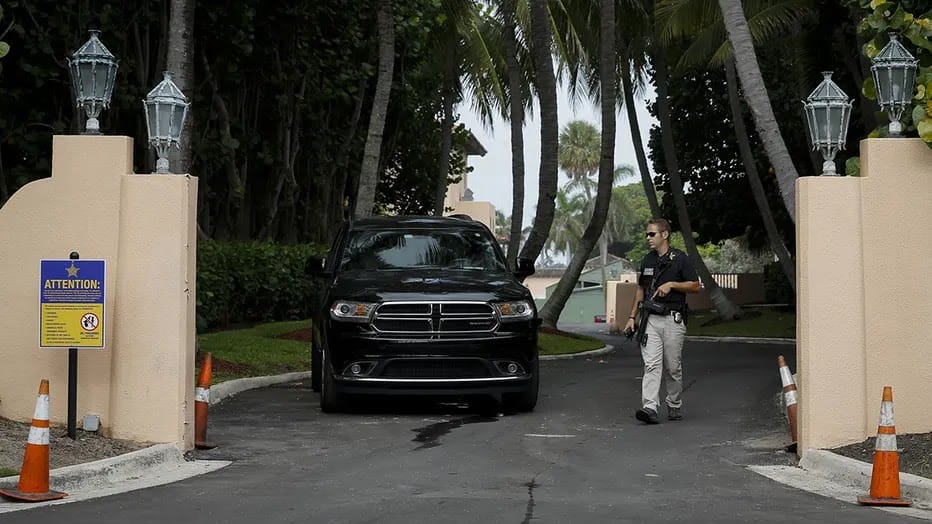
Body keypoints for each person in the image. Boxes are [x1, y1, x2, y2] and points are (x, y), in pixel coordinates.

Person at [623, 218, 700, 424]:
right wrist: (632, 317)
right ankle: (650, 408)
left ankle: (674, 404)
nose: (648, 238)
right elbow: (640, 290)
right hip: (650, 320)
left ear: (664, 235)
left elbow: (695, 286)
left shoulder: (680, 259)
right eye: (647, 234)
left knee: (672, 367)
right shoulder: (647, 260)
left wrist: (672, 284)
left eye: (652, 234)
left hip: (673, 319)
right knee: (651, 365)